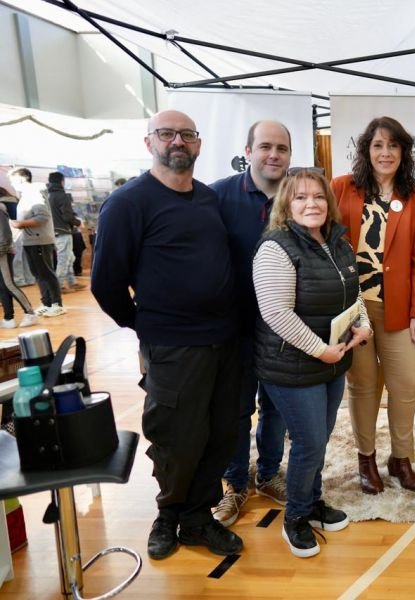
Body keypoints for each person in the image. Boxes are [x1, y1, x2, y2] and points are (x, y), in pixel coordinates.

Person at [91, 110, 243, 560]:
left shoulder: (208, 199)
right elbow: (106, 284)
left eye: (187, 134)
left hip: (225, 340)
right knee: (175, 436)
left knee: (221, 433)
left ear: (198, 144)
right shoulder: (128, 202)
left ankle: (198, 518)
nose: (178, 141)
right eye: (167, 134)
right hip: (173, 345)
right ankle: (169, 514)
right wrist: (146, 324)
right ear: (149, 142)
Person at [253, 168, 371, 558]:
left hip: (332, 361)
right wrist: (320, 350)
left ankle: (313, 502)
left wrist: (363, 326)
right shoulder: (276, 246)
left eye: (318, 196)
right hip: (293, 366)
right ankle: (297, 519)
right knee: (308, 442)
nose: (311, 204)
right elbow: (276, 313)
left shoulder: (337, 240)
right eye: (301, 197)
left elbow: (353, 294)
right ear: (286, 203)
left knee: (319, 438)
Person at [332, 116, 415, 494]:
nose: (385, 152)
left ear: (403, 151)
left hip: (399, 309)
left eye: (393, 145)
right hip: (353, 310)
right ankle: (366, 458)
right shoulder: (342, 188)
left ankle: (401, 459)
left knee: (406, 384)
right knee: (363, 386)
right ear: (366, 150)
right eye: (378, 145)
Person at [209, 120, 291, 527]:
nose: (273, 155)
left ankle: (269, 473)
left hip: (284, 329)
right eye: (265, 147)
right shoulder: (218, 195)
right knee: (236, 409)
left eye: (281, 148)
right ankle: (236, 483)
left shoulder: (299, 196)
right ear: (249, 150)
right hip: (234, 326)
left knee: (275, 407)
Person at [9, 167, 65, 317]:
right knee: (38, 274)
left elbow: (42, 217)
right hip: (30, 241)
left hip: (40, 240)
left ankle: (56, 304)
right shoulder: (26, 195)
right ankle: (47, 303)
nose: (12, 185)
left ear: (20, 179)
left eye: (13, 181)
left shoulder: (34, 194)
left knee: (46, 273)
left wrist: (19, 224)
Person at [0, 187, 37, 328]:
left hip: (2, 252)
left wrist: (1, 250)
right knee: (3, 286)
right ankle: (8, 319)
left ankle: (30, 312)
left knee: (9, 285)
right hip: (3, 250)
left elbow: (5, 234)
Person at [46, 171, 83, 293]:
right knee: (64, 259)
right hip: (63, 231)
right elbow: (67, 217)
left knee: (69, 257)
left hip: (53, 231)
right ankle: (59, 286)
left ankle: (72, 282)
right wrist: (78, 222)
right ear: (62, 181)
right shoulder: (62, 195)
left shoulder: (48, 195)